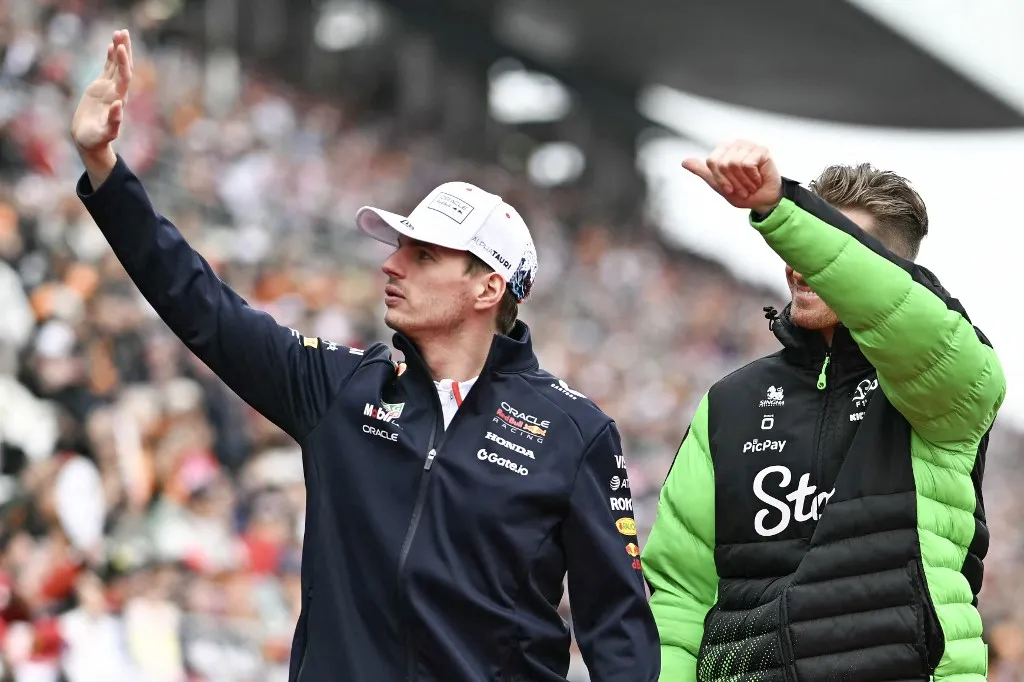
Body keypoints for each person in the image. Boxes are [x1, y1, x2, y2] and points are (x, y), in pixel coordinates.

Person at [71, 30, 660, 682]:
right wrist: (105, 169)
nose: (391, 263)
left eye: (423, 255)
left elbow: (621, 639)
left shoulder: (575, 434)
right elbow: (202, 307)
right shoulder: (341, 387)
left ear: (488, 287)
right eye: (400, 246)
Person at [642, 139, 1005, 682]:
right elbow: (680, 598)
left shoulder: (948, 378)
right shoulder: (729, 402)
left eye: (825, 248)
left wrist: (782, 211)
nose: (799, 264)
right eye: (797, 249)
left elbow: (910, 318)